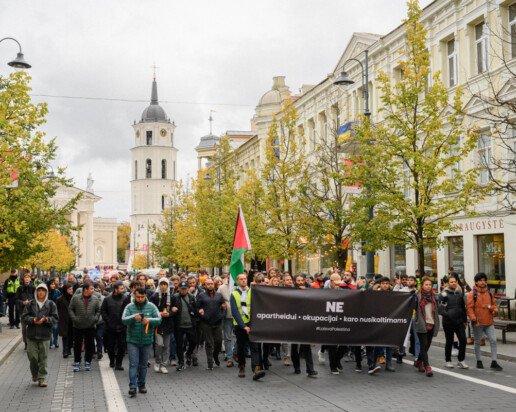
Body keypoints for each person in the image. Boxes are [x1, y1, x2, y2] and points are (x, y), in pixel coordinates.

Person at [122, 287, 162, 397]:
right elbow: (124, 320)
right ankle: (132, 387)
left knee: (143, 365)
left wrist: (149, 320)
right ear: (134, 296)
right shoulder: (129, 306)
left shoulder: (151, 306)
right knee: (133, 364)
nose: (140, 299)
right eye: (138, 297)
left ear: (145, 296)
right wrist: (133, 317)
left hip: (147, 340)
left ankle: (142, 385)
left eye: (142, 297)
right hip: (132, 340)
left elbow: (159, 319)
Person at [21, 283, 58, 387]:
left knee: (43, 358)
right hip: (32, 335)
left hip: (44, 335)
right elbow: (24, 317)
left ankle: (42, 378)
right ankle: (35, 374)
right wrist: (33, 320)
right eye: (39, 290)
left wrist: (46, 319)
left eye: (43, 290)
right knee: (32, 357)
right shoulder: (30, 304)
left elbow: (55, 318)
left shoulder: (51, 304)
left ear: (46, 292)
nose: (41, 292)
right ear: (36, 291)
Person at [230, 273, 265, 380]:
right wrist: (243, 326)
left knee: (254, 347)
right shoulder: (234, 294)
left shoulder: (252, 291)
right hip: (240, 325)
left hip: (252, 323)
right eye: (241, 279)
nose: (243, 281)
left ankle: (256, 369)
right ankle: (241, 367)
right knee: (241, 348)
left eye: (245, 279)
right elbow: (235, 312)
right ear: (237, 281)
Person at [466, 272, 503, 371]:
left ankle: (494, 362)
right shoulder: (472, 294)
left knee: (493, 340)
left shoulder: (489, 293)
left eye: (484, 280)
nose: (483, 282)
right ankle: (479, 361)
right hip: (478, 322)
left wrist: (493, 309)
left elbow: (493, 305)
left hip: (489, 322)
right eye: (480, 280)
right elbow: (469, 308)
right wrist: (473, 319)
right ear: (476, 282)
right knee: (477, 341)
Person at [68, 281, 101, 372]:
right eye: (91, 288)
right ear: (85, 289)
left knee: (89, 345)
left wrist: (95, 319)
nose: (93, 290)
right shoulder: (76, 298)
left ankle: (88, 361)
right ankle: (77, 362)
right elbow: (70, 309)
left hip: (90, 326)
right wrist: (74, 319)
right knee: (77, 345)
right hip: (77, 326)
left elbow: (98, 310)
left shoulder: (95, 298)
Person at [439, 273, 468, 369]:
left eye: (455, 281)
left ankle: (461, 360)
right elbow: (441, 310)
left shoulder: (459, 293)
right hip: (448, 322)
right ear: (448, 283)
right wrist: (448, 315)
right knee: (449, 341)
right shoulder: (444, 294)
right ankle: (448, 360)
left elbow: (463, 308)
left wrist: (465, 320)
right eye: (451, 282)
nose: (454, 283)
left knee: (463, 340)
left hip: (459, 321)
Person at [196, 277, 226, 370]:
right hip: (206, 322)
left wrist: (222, 314)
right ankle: (210, 363)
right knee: (209, 343)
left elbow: (224, 306)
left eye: (211, 284)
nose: (210, 285)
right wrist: (199, 311)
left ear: (214, 285)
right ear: (205, 285)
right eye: (208, 284)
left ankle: (215, 356)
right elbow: (196, 307)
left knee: (218, 342)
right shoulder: (201, 296)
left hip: (217, 322)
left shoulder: (219, 295)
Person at [415, 276, 440, 377]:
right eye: (426, 285)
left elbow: (438, 309)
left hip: (432, 323)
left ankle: (419, 361)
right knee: (423, 345)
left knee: (427, 346)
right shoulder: (417, 296)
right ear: (422, 286)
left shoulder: (435, 297)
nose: (428, 286)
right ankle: (427, 367)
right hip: (422, 324)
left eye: (430, 285)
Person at [171, 280, 198, 371]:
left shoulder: (192, 297)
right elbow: (170, 309)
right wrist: (172, 309)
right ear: (178, 289)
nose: (183, 291)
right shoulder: (174, 297)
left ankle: (188, 354)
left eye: (185, 289)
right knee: (179, 344)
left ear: (188, 289)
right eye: (182, 289)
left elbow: (195, 309)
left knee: (194, 342)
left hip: (190, 324)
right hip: (179, 325)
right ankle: (181, 362)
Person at [101, 280, 127, 370]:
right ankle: (112, 360)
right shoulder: (107, 299)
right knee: (110, 346)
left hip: (122, 326)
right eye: (121, 288)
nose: (123, 290)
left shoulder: (125, 298)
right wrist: (108, 321)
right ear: (115, 289)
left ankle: (119, 363)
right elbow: (103, 311)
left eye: (123, 288)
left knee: (122, 346)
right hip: (110, 327)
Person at [150, 278, 174, 374]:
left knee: (166, 346)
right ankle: (157, 362)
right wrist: (160, 313)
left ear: (168, 286)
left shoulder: (172, 297)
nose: (163, 286)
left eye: (165, 284)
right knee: (159, 344)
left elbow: (175, 309)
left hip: (168, 324)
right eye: (161, 284)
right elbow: (151, 310)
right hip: (158, 324)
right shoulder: (154, 297)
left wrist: (170, 313)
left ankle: (164, 364)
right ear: (158, 285)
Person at [216, 277, 235, 367]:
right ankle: (229, 357)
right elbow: (217, 300)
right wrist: (222, 305)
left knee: (243, 337)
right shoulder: (222, 287)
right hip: (228, 316)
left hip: (241, 317)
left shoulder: (242, 287)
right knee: (227, 337)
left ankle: (235, 352)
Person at [16, 273, 36, 349]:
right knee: (24, 328)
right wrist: (23, 302)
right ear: (23, 279)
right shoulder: (20, 288)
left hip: (32, 310)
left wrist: (30, 302)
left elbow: (37, 298)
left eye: (28, 277)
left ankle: (32, 342)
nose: (27, 279)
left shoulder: (34, 288)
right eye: (25, 277)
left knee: (31, 327)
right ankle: (26, 343)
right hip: (23, 311)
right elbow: (16, 299)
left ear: (30, 279)